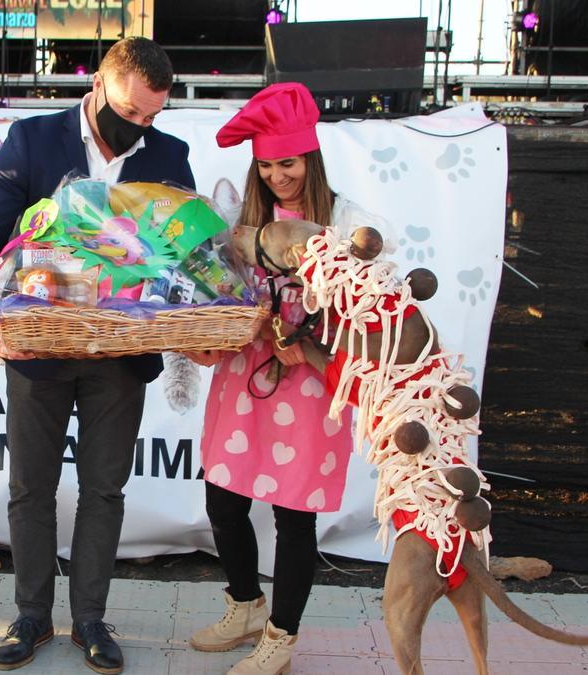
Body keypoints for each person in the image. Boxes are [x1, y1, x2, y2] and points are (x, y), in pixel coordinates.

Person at [0, 37, 195, 675]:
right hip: (37, 347)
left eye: (152, 117)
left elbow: (185, 259)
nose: (140, 126)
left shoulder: (171, 157)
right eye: (130, 111)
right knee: (30, 487)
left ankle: (91, 619)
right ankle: (31, 615)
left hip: (121, 356)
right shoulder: (34, 140)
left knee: (104, 489)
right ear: (99, 86)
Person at [184, 82, 378, 675]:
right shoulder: (246, 221)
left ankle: (281, 636)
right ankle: (245, 605)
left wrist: (312, 343)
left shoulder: (349, 221)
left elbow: (372, 305)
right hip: (247, 373)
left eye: (287, 163)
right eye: (266, 166)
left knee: (295, 516)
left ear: (310, 157)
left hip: (312, 383)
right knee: (222, 498)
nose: (277, 176)